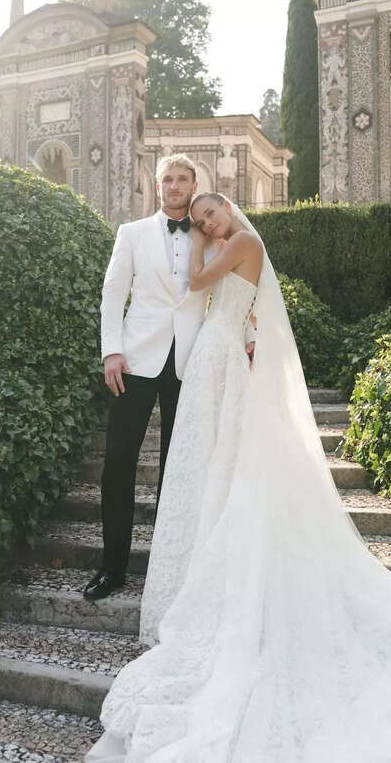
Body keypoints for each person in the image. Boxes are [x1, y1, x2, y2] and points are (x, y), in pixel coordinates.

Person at [86, 193, 391, 762]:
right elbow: (242, 305)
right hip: (214, 351)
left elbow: (196, 284)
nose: (206, 225)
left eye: (209, 215)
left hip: (215, 352)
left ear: (227, 209)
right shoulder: (236, 245)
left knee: (222, 459)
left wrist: (196, 242)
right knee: (213, 458)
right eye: (199, 222)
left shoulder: (238, 240)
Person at [83, 158, 255, 602]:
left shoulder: (215, 236)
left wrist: (249, 337)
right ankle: (112, 567)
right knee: (118, 462)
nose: (174, 186)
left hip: (193, 361)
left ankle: (168, 569)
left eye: (182, 179)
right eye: (167, 179)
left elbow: (236, 291)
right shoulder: (132, 234)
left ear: (195, 186)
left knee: (179, 469)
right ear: (157, 187)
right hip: (136, 360)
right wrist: (111, 351)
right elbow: (112, 294)